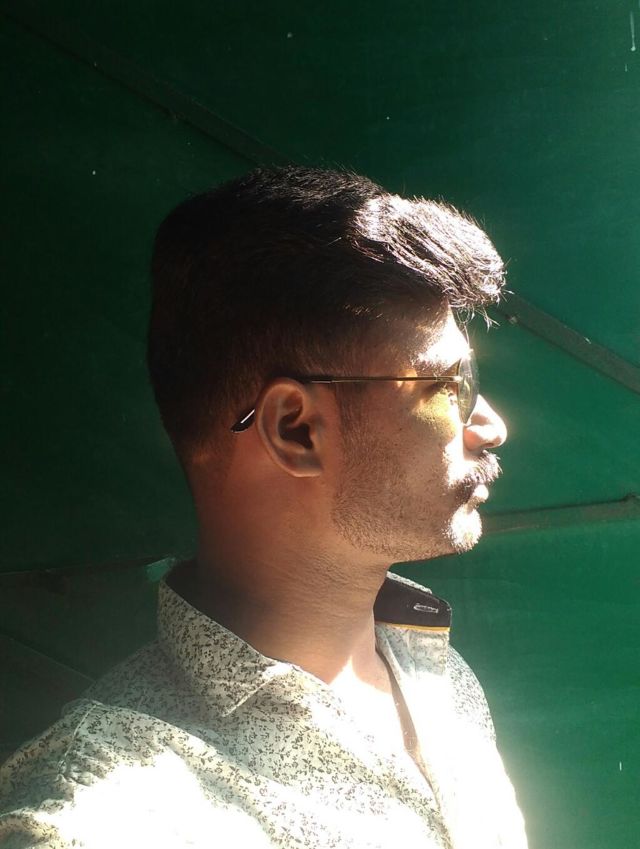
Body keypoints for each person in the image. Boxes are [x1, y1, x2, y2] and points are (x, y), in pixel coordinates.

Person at [0, 167, 527, 848]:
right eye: (450, 385)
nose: (491, 425)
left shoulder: (438, 676)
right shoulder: (109, 815)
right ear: (295, 429)